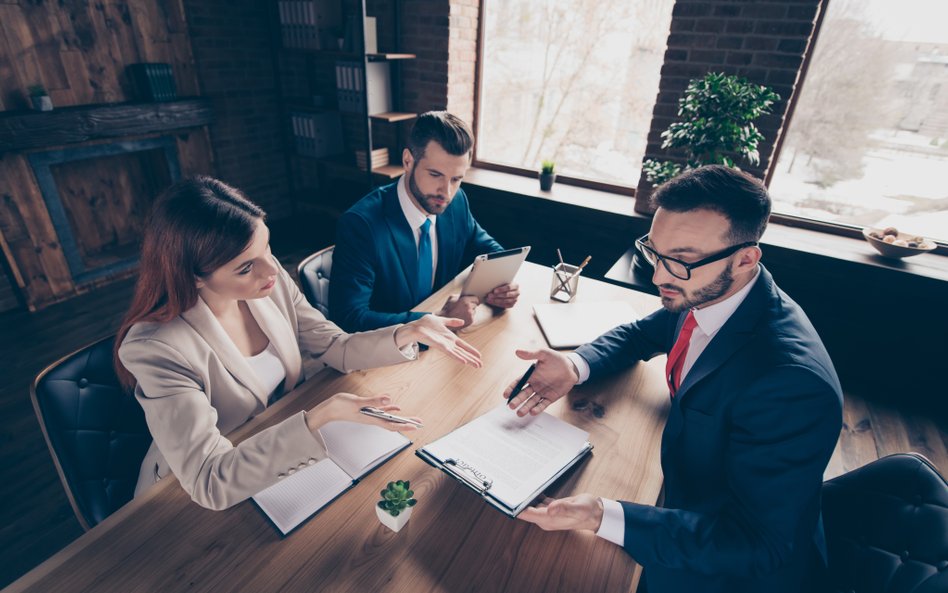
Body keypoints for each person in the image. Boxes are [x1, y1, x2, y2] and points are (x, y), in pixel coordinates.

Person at [505, 166, 842, 592]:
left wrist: (601, 515)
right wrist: (575, 366)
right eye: (654, 252)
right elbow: (643, 332)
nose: (659, 276)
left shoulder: (791, 383)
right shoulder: (713, 291)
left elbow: (757, 543)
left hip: (727, 565)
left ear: (745, 258)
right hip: (684, 496)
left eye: (681, 261)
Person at [115, 176, 482, 511]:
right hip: (188, 497)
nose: (272, 270)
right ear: (193, 277)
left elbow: (334, 346)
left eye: (267, 247)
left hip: (275, 449)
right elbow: (210, 480)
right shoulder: (156, 348)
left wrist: (408, 331)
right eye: (245, 267)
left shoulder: (268, 284)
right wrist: (319, 417)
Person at [329, 111, 520, 333]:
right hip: (388, 351)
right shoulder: (360, 225)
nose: (446, 192)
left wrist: (500, 287)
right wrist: (436, 319)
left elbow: (488, 249)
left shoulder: (456, 202)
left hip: (442, 344)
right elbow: (349, 318)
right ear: (408, 161)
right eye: (435, 175)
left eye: (456, 179)